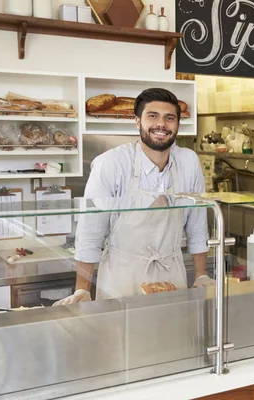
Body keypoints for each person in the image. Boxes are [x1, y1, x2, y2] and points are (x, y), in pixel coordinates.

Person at [55, 88, 213, 305]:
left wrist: (200, 274)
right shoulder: (111, 163)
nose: (162, 124)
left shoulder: (189, 161)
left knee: (172, 336)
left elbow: (197, 225)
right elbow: (90, 231)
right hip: (121, 278)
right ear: (138, 122)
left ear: (177, 124)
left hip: (172, 276)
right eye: (152, 116)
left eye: (170, 118)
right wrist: (82, 290)